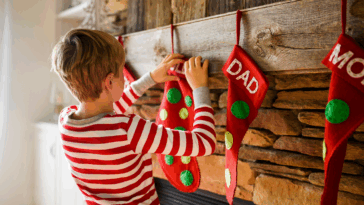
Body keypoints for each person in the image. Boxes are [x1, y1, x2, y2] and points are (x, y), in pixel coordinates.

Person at [51, 29, 216, 205]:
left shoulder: (65, 122)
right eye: (121, 73)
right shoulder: (128, 130)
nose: (124, 77)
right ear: (109, 82)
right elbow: (205, 143)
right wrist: (200, 88)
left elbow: (111, 109)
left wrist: (151, 77)